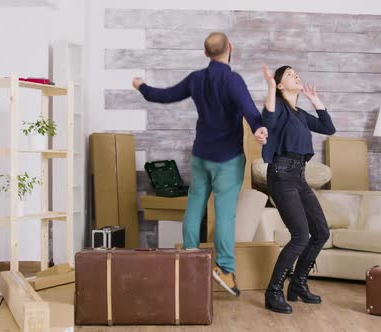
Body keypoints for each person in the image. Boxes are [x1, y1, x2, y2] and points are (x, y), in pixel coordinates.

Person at [132, 32, 268, 296]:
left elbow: (163, 95)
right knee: (225, 214)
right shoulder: (232, 79)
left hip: (200, 156)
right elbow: (249, 107)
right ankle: (225, 270)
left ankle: (189, 262)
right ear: (231, 47)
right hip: (227, 159)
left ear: (206, 54)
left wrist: (141, 86)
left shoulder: (196, 79)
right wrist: (258, 128)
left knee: (194, 207)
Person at [260, 64, 336, 314]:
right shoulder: (278, 107)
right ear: (281, 84)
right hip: (281, 175)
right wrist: (271, 88)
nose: (296, 75)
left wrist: (315, 100)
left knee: (321, 232)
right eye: (290, 74)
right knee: (301, 235)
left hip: (299, 176)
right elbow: (268, 119)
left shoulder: (300, 114)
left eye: (296, 73)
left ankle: (298, 284)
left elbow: (328, 129)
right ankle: (273, 292)